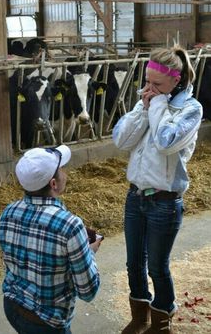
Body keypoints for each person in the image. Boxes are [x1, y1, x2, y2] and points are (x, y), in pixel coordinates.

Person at [112, 45, 203, 334]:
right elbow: (121, 141)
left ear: (176, 81)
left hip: (164, 202)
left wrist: (159, 107)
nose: (148, 89)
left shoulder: (190, 109)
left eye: (157, 84)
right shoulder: (148, 101)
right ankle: (140, 317)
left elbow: (166, 142)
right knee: (134, 263)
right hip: (135, 196)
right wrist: (143, 108)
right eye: (147, 82)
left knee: (158, 268)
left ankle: (161, 322)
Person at [0, 145, 102, 334]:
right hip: (47, 322)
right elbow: (88, 291)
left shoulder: (8, 212)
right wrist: (89, 252)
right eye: (62, 169)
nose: (65, 172)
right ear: (53, 184)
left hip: (12, 307)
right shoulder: (70, 225)